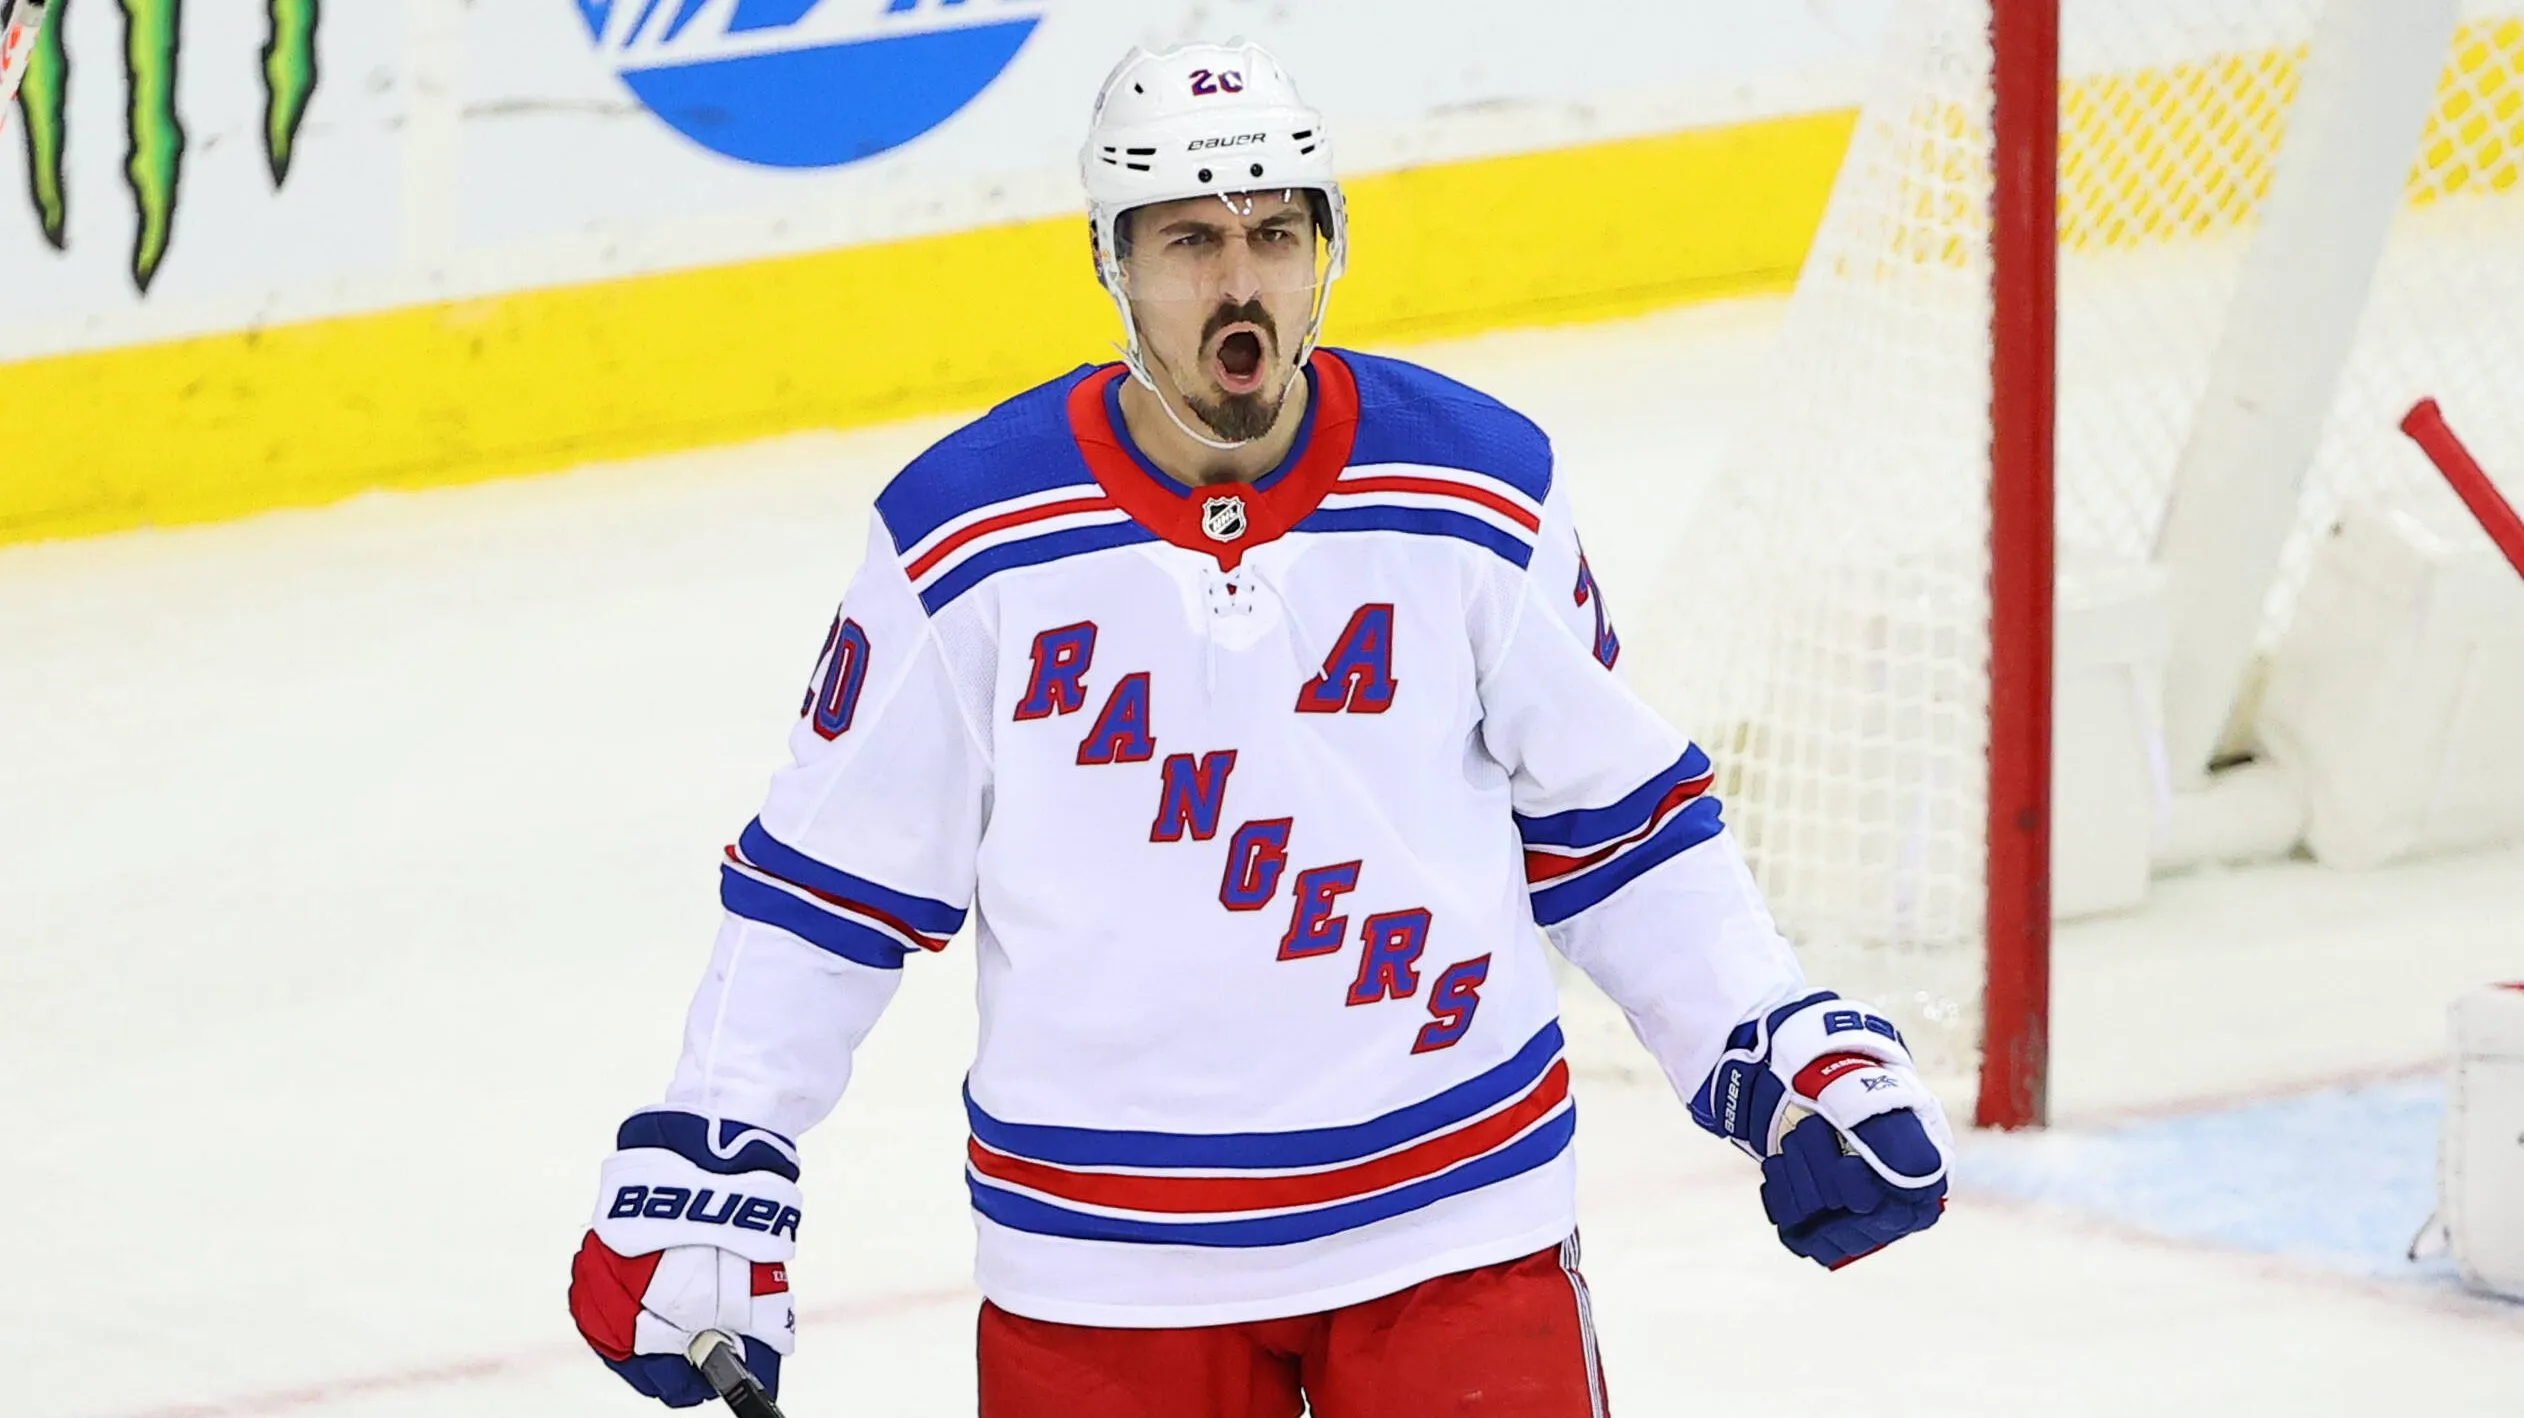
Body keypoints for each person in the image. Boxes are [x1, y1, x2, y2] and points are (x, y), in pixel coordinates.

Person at [566, 39, 1950, 1417]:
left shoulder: (1479, 489)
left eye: (1276, 232)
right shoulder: (967, 539)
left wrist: (1765, 1035)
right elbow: (828, 885)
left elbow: (1618, 824)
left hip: (1455, 1230)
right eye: (1188, 240)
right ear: (1111, 261)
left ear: (1326, 245)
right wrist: (722, 1142)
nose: (1240, 283)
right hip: (1108, 1272)